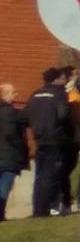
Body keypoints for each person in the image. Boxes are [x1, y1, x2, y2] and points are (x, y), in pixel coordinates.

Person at [25, 68, 72, 217]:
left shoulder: (35, 94)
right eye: (63, 78)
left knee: (39, 175)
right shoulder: (59, 93)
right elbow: (63, 114)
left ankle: (37, 208)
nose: (65, 81)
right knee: (51, 175)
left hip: (39, 139)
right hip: (55, 139)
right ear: (56, 79)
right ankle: (45, 210)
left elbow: (25, 116)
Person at [0, 83, 27, 223]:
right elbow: (11, 134)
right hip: (8, 156)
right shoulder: (9, 112)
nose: (16, 94)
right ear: (4, 95)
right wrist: (21, 147)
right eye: (13, 92)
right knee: (4, 187)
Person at [60, 65, 80, 212]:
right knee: (66, 169)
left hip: (70, 136)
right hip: (71, 136)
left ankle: (62, 200)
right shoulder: (72, 94)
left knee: (65, 170)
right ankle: (64, 200)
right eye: (75, 75)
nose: (77, 77)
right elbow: (76, 116)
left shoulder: (69, 92)